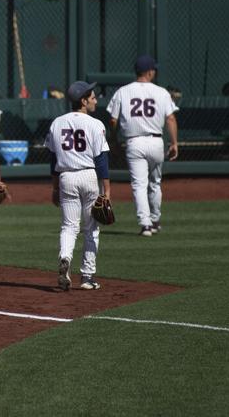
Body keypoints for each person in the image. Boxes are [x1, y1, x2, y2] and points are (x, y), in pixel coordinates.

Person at [46, 81, 112, 292]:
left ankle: (65, 259)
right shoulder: (95, 124)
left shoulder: (57, 123)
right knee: (91, 227)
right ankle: (87, 276)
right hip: (89, 176)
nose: (95, 100)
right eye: (92, 97)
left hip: (66, 177)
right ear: (83, 101)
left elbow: (53, 159)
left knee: (68, 226)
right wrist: (107, 190)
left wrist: (55, 188)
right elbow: (101, 160)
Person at [106, 55, 179, 237]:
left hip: (134, 142)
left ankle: (145, 224)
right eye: (154, 69)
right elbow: (170, 118)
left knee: (139, 185)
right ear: (149, 72)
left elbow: (113, 119)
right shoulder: (161, 92)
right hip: (156, 141)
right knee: (155, 183)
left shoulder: (123, 91)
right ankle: (154, 220)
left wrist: (113, 139)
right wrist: (175, 142)